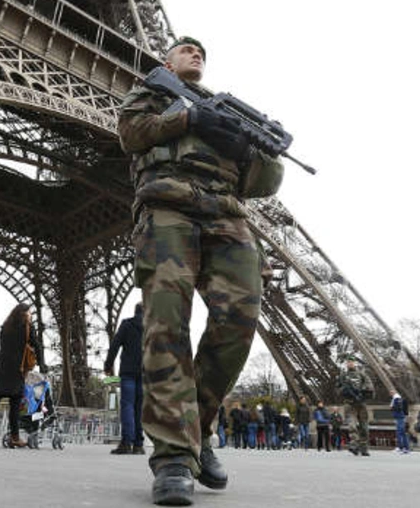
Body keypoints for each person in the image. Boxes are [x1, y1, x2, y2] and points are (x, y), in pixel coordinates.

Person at [117, 36, 285, 505]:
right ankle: (173, 456)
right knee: (166, 323)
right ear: (167, 61)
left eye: (202, 53)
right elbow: (131, 134)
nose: (196, 54)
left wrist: (253, 150)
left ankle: (199, 430)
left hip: (227, 216)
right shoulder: (153, 92)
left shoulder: (230, 113)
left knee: (240, 323)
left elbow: (263, 184)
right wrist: (188, 118)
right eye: (186, 49)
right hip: (167, 209)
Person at [0, 303, 43, 449]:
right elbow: (35, 344)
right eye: (29, 313)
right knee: (15, 405)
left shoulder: (5, 327)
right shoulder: (27, 327)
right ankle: (15, 437)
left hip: (1, 368)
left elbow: (2, 346)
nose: (30, 315)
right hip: (16, 369)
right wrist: (42, 364)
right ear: (25, 313)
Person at [104, 302, 145, 455]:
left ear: (135, 311)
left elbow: (115, 345)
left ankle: (126, 442)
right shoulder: (152, 327)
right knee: (139, 408)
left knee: (127, 405)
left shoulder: (127, 324)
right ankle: (139, 445)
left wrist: (108, 365)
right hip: (145, 373)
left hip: (128, 371)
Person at [336, 356, 374, 456]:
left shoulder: (362, 375)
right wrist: (344, 390)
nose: (350, 363)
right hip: (349, 404)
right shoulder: (343, 376)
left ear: (355, 363)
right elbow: (338, 389)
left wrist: (362, 392)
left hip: (361, 404)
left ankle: (364, 448)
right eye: (348, 362)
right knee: (352, 425)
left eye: (351, 361)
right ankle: (354, 444)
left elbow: (370, 386)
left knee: (364, 427)